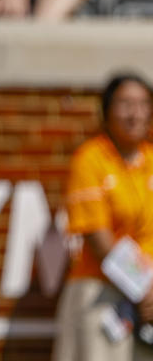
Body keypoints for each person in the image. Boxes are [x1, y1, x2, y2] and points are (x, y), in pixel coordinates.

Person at [55, 74, 153, 361]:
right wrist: (145, 288)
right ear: (107, 111)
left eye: (143, 104)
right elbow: (99, 240)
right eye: (125, 104)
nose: (135, 114)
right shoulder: (91, 159)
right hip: (101, 293)